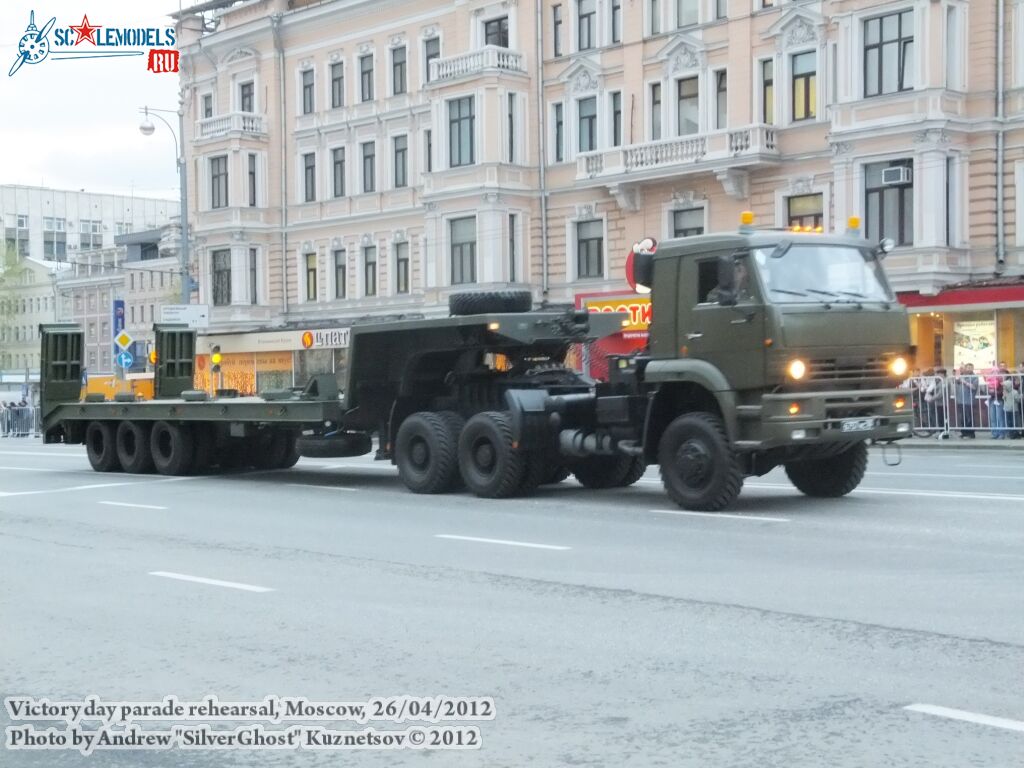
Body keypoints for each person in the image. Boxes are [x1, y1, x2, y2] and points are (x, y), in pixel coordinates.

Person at [952, 363, 978, 438]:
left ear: (973, 369)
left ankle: (971, 433)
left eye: (970, 367)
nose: (969, 369)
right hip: (960, 400)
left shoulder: (975, 377)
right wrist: (957, 378)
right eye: (967, 367)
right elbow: (956, 383)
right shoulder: (962, 376)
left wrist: (965, 382)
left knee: (969, 417)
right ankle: (964, 432)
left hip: (969, 401)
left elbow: (974, 387)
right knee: (962, 417)